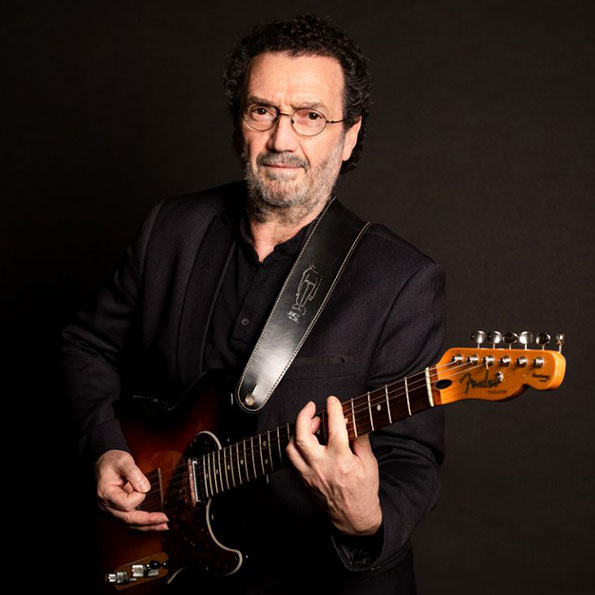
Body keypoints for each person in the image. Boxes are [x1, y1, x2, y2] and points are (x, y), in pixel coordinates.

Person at [62, 15, 445, 595]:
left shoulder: (402, 280)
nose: (282, 140)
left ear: (349, 137)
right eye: (262, 111)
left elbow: (412, 457)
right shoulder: (171, 229)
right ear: (240, 124)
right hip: (173, 566)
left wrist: (366, 517)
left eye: (311, 116)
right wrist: (104, 446)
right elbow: (86, 346)